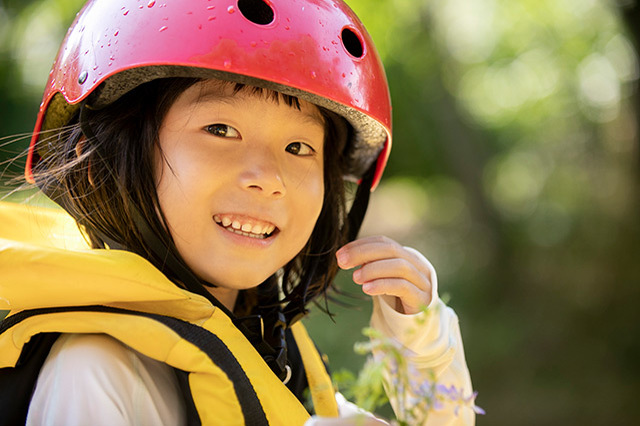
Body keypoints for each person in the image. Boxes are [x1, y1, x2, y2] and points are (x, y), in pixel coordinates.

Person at [0, 0, 475, 424]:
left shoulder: (268, 348)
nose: (268, 177)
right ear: (102, 165)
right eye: (221, 129)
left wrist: (423, 349)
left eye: (298, 146)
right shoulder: (95, 368)